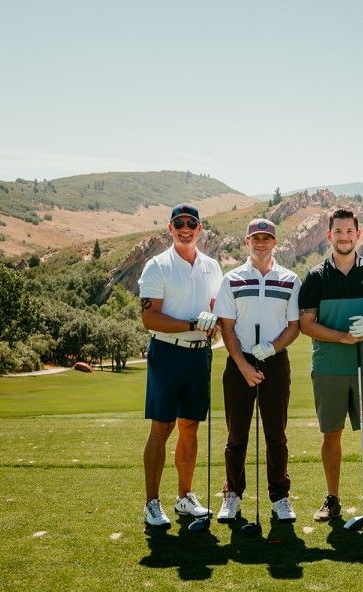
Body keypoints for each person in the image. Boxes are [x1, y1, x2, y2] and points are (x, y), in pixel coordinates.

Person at [298, 208, 363, 524]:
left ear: (358, 235)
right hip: (329, 367)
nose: (344, 237)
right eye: (338, 231)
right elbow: (306, 324)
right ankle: (332, 499)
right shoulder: (316, 277)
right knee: (332, 434)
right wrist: (342, 337)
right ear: (328, 235)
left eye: (349, 231)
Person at [138, 203, 224, 529]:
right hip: (167, 353)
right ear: (170, 228)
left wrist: (212, 323)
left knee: (190, 426)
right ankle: (151, 503)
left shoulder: (212, 267)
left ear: (200, 229)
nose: (185, 228)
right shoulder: (157, 266)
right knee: (162, 427)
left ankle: (184, 497)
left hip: (199, 355)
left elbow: (215, 310)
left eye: (191, 223)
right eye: (179, 223)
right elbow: (149, 317)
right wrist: (192, 323)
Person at [213, 218, 301, 523]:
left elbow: (294, 326)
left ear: (275, 243)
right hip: (239, 361)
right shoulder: (232, 279)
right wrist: (244, 365)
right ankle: (233, 495)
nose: (260, 243)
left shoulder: (290, 279)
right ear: (246, 242)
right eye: (255, 238)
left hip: (276, 362)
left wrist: (273, 348)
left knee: (276, 434)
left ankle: (280, 497)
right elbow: (226, 327)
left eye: (266, 238)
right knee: (237, 435)